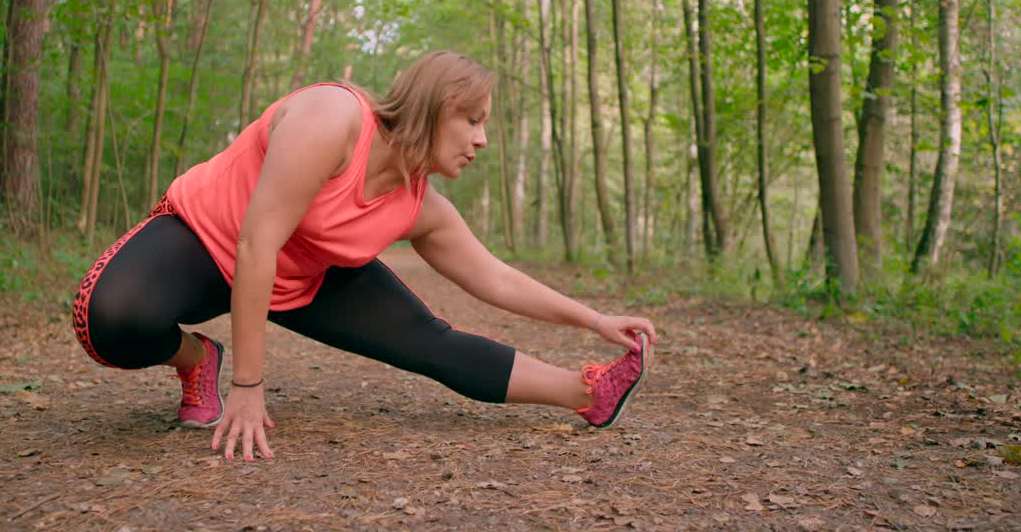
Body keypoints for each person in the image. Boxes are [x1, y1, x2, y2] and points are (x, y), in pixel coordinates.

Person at [72, 50, 657, 462]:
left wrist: (595, 319)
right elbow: (256, 242)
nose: (482, 139)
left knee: (431, 340)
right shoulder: (333, 119)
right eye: (473, 120)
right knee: (107, 320)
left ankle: (587, 393)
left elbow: (497, 279)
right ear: (436, 106)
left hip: (301, 278)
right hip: (204, 237)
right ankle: (198, 358)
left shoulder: (421, 207)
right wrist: (248, 385)